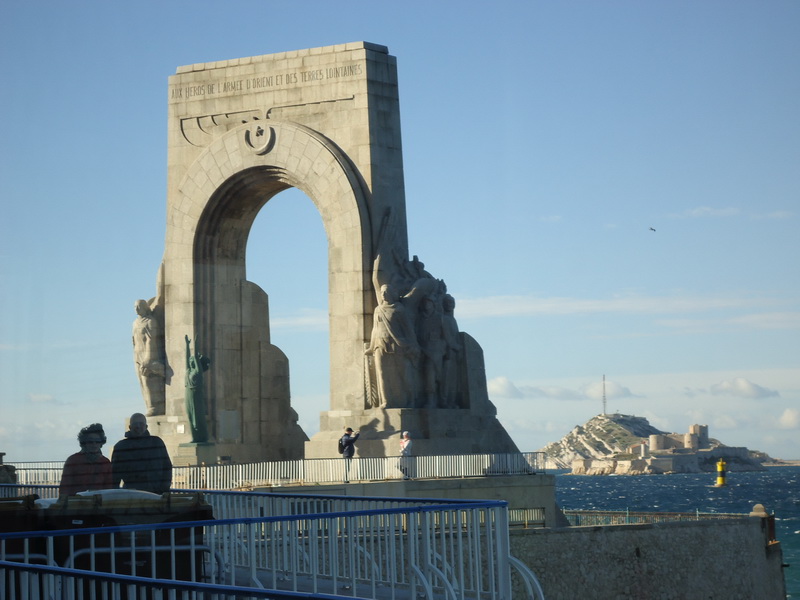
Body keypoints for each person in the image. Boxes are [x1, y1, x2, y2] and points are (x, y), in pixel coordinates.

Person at [111, 413, 173, 494]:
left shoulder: (157, 443)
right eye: (135, 424)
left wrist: (163, 489)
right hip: (132, 495)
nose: (138, 426)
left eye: (141, 424)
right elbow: (114, 476)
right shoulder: (120, 447)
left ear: (146, 426)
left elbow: (167, 467)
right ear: (130, 427)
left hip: (156, 494)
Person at [132, 299, 167, 416]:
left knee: (148, 380)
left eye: (139, 306)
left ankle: (154, 407)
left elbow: (151, 340)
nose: (137, 309)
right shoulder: (135, 323)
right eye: (135, 307)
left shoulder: (150, 321)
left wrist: (148, 357)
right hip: (137, 355)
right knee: (142, 382)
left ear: (145, 307)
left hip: (149, 354)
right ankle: (149, 405)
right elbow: (134, 341)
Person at [59, 423, 113, 496]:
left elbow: (108, 489)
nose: (94, 444)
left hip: (98, 502)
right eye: (90, 442)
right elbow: (65, 488)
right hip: (76, 501)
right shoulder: (73, 461)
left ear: (101, 443)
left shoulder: (105, 462)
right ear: (84, 443)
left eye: (97, 441)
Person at [185, 335, 211, 443]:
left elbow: (195, 356)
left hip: (196, 394)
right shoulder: (188, 370)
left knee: (197, 416)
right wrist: (187, 345)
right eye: (190, 359)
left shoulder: (197, 372)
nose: (191, 359)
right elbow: (187, 357)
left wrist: (195, 345)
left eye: (193, 359)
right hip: (188, 394)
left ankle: (203, 437)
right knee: (190, 416)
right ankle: (195, 437)